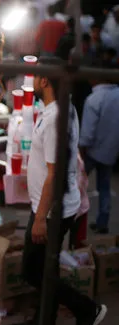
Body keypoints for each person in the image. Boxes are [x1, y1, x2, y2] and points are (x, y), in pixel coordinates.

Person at [8, 57, 106, 325]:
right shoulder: (59, 108)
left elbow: (55, 173)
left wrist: (41, 218)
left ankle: (87, 309)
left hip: (52, 210)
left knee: (32, 269)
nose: (32, 80)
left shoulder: (55, 119)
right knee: (45, 268)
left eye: (36, 75)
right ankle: (45, 324)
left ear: (45, 81)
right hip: (51, 206)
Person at [79, 70, 119, 235]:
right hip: (111, 149)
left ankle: (74, 217)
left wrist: (81, 153)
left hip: (93, 151)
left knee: (78, 184)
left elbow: (87, 134)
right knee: (104, 186)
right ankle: (103, 221)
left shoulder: (94, 99)